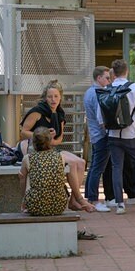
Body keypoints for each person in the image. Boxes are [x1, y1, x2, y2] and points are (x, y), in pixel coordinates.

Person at [19, 80, 95, 213]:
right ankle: (79, 198)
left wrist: (51, 139)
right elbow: (23, 132)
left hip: (51, 146)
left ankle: (73, 200)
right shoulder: (37, 112)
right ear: (45, 98)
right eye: (49, 97)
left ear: (60, 97)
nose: (53, 100)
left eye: (56, 96)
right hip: (35, 146)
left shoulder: (60, 114)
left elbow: (59, 139)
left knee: (81, 162)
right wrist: (42, 135)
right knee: (72, 164)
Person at [97, 59, 135, 215]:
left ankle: (119, 205)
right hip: (132, 135)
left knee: (117, 168)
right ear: (127, 71)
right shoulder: (134, 88)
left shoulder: (106, 89)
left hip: (113, 136)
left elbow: (100, 118)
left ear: (113, 73)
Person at [19, 127, 69, 216]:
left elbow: (22, 179)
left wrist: (24, 199)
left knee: (25, 176)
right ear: (50, 141)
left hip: (35, 205)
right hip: (59, 204)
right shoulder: (60, 156)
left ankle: (26, 203)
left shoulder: (28, 158)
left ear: (33, 142)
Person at [83, 66, 112, 212]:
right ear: (99, 78)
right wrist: (108, 131)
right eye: (107, 78)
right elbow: (101, 118)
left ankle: (89, 197)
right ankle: (93, 199)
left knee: (94, 167)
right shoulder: (98, 93)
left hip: (95, 135)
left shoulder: (89, 92)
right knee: (97, 168)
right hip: (101, 135)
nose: (109, 80)